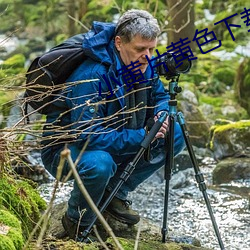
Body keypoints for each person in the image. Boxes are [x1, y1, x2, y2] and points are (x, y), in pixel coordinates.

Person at [41, 9, 185, 241]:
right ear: (119, 43)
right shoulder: (92, 75)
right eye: (140, 49)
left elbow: (159, 96)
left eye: (152, 49)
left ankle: (115, 193)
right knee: (100, 164)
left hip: (116, 136)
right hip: (67, 150)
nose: (148, 56)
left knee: (175, 132)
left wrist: (161, 114)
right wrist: (142, 135)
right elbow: (87, 135)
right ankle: (76, 221)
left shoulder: (142, 63)